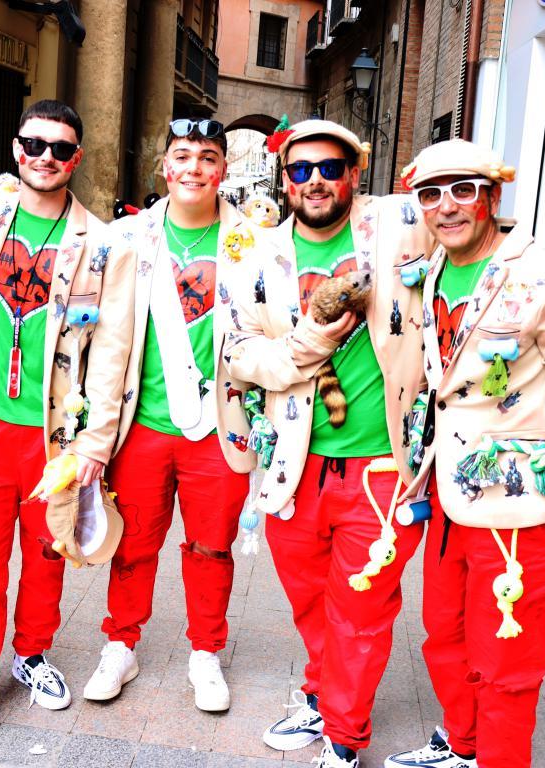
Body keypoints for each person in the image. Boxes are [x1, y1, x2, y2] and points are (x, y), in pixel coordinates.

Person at [385, 140, 545, 768]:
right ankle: (462, 746)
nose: (446, 206)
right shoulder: (433, 267)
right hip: (448, 497)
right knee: (445, 639)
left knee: (507, 668)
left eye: (463, 190)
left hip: (518, 513)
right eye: (431, 194)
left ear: (492, 197)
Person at [224, 120, 433, 767]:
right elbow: (238, 353)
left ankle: (343, 738)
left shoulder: (399, 225)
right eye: (300, 169)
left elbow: (469, 225)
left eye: (330, 167)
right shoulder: (258, 253)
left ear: (354, 173)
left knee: (361, 612)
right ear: (284, 179)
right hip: (294, 467)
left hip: (382, 470)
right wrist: (309, 343)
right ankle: (323, 695)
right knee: (312, 603)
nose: (315, 180)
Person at [0, 100, 133, 746]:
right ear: (15, 150)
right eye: (34, 144)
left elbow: (112, 352)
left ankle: (31, 653)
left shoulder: (103, 244)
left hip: (56, 436)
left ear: (75, 159)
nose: (45, 157)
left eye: (60, 148)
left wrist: (95, 444)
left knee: (49, 555)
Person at [81, 118, 260, 713]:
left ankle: (205, 653)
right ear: (164, 166)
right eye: (182, 156)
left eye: (207, 157)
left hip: (220, 427)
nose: (194, 168)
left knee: (211, 547)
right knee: (132, 543)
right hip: (144, 425)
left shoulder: (255, 240)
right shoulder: (128, 236)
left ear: (223, 170)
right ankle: (120, 644)